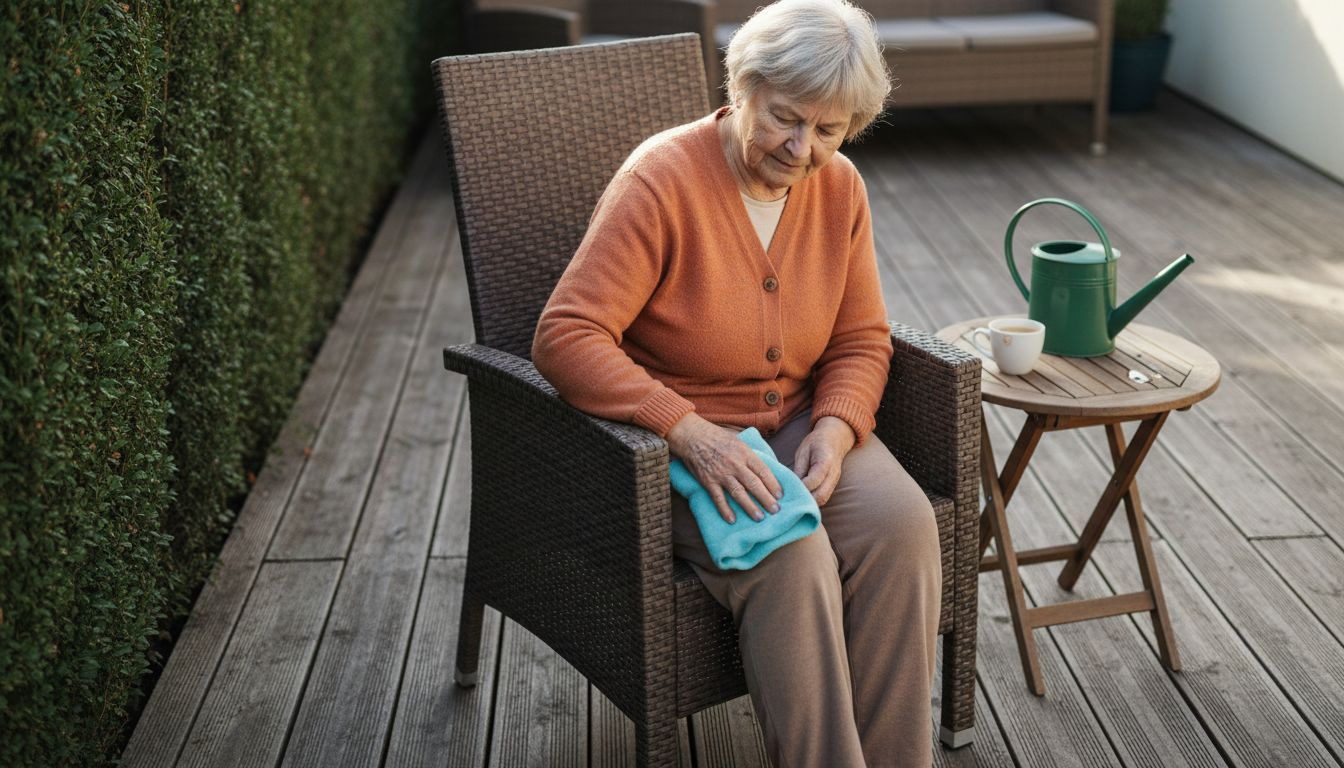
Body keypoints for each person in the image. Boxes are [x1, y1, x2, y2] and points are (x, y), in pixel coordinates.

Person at [532, 1, 941, 765]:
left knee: (903, 529)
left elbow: (859, 336)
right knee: (790, 556)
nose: (803, 147)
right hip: (675, 449)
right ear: (742, 87)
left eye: (828, 130)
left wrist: (836, 428)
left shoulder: (841, 188)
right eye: (787, 118)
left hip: (800, 427)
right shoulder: (662, 179)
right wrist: (686, 430)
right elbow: (565, 335)